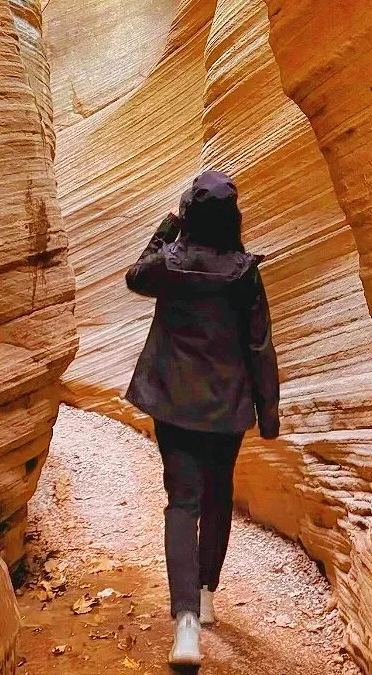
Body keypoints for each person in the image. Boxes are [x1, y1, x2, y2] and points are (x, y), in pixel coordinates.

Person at [124, 169, 280, 669]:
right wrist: (269, 411)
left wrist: (167, 229)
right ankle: (207, 594)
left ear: (190, 211)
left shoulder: (169, 264)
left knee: (182, 503)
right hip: (227, 405)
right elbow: (258, 345)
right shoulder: (244, 272)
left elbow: (135, 276)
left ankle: (186, 623)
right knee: (217, 497)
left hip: (174, 401)